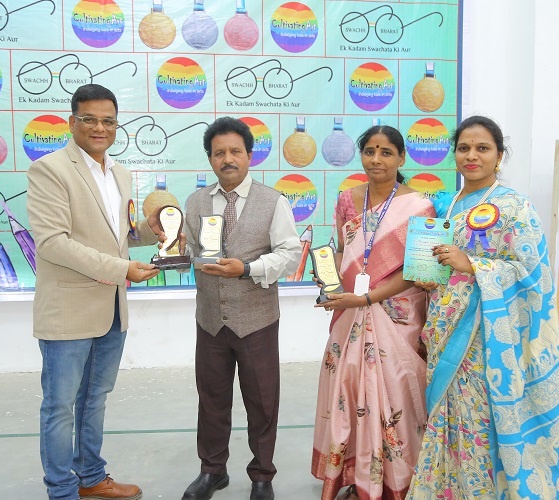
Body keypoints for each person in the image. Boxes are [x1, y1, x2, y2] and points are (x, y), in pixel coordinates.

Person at [407, 116, 559, 499]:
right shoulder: (448, 205)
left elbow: (534, 274)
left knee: (476, 420)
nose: (471, 156)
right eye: (464, 148)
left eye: (482, 148)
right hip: (443, 326)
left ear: (499, 156)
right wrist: (432, 277)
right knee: (444, 414)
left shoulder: (515, 207)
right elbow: (442, 265)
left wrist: (474, 265)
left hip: (485, 337)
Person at [27, 84, 165, 500]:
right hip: (68, 310)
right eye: (89, 119)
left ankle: (90, 477)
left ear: (116, 126)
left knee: (95, 400)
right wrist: (123, 269)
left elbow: (119, 234)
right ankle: (62, 490)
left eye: (108, 121)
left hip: (112, 309)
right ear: (72, 122)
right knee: (59, 407)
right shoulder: (50, 170)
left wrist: (151, 230)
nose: (99, 128)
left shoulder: (120, 173)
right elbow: (53, 243)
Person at [311, 125, 435, 499]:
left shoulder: (420, 206)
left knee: (396, 394)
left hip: (398, 316)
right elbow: (342, 252)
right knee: (348, 391)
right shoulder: (347, 200)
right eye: (369, 151)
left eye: (386, 152)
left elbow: (417, 272)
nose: (376, 159)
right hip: (349, 313)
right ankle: (356, 478)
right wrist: (329, 281)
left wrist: (366, 299)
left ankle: (396, 482)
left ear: (401, 157)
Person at [181, 116, 302, 500]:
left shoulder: (273, 201)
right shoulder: (195, 202)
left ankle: (262, 475)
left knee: (262, 402)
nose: (227, 159)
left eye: (235, 151)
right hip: (210, 321)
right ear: (210, 159)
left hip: (257, 321)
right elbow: (189, 252)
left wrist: (247, 269)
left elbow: (290, 254)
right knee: (211, 400)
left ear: (250, 155)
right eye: (219, 153)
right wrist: (173, 251)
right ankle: (212, 471)